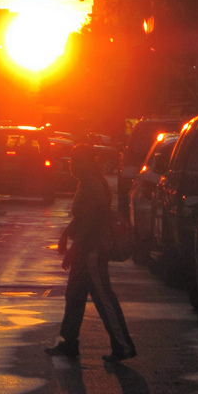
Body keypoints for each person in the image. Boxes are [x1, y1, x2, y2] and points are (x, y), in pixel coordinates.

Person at [45, 143, 136, 362]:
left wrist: (73, 250)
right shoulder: (86, 184)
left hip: (92, 252)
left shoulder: (94, 185)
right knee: (74, 296)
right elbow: (80, 218)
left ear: (84, 163)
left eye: (75, 161)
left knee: (104, 298)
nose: (71, 165)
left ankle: (123, 346)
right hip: (84, 251)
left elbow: (89, 222)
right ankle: (69, 342)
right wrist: (66, 234)